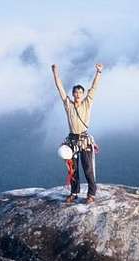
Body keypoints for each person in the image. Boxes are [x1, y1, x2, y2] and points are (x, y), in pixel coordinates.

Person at [51, 63, 103, 204]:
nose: (78, 94)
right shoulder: (68, 105)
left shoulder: (87, 103)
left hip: (84, 140)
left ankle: (91, 194)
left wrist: (98, 73)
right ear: (73, 94)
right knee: (73, 169)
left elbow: (94, 88)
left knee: (88, 169)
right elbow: (60, 89)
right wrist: (56, 74)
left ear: (83, 94)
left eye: (80, 92)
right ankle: (74, 193)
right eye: (76, 92)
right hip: (72, 140)